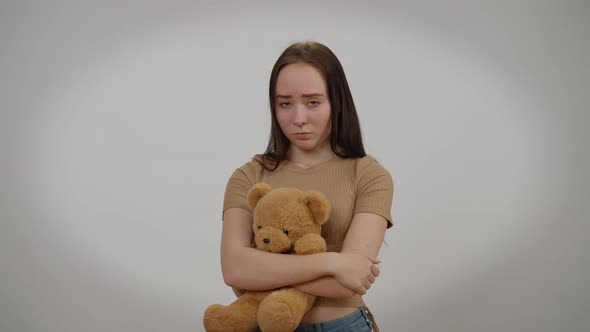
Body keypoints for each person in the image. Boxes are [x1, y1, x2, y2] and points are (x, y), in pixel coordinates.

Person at [220, 41, 394, 332]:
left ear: (336, 102)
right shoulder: (249, 176)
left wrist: (262, 272)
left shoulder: (369, 175)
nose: (298, 119)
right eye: (285, 103)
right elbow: (234, 270)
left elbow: (349, 282)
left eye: (312, 102)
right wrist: (333, 263)